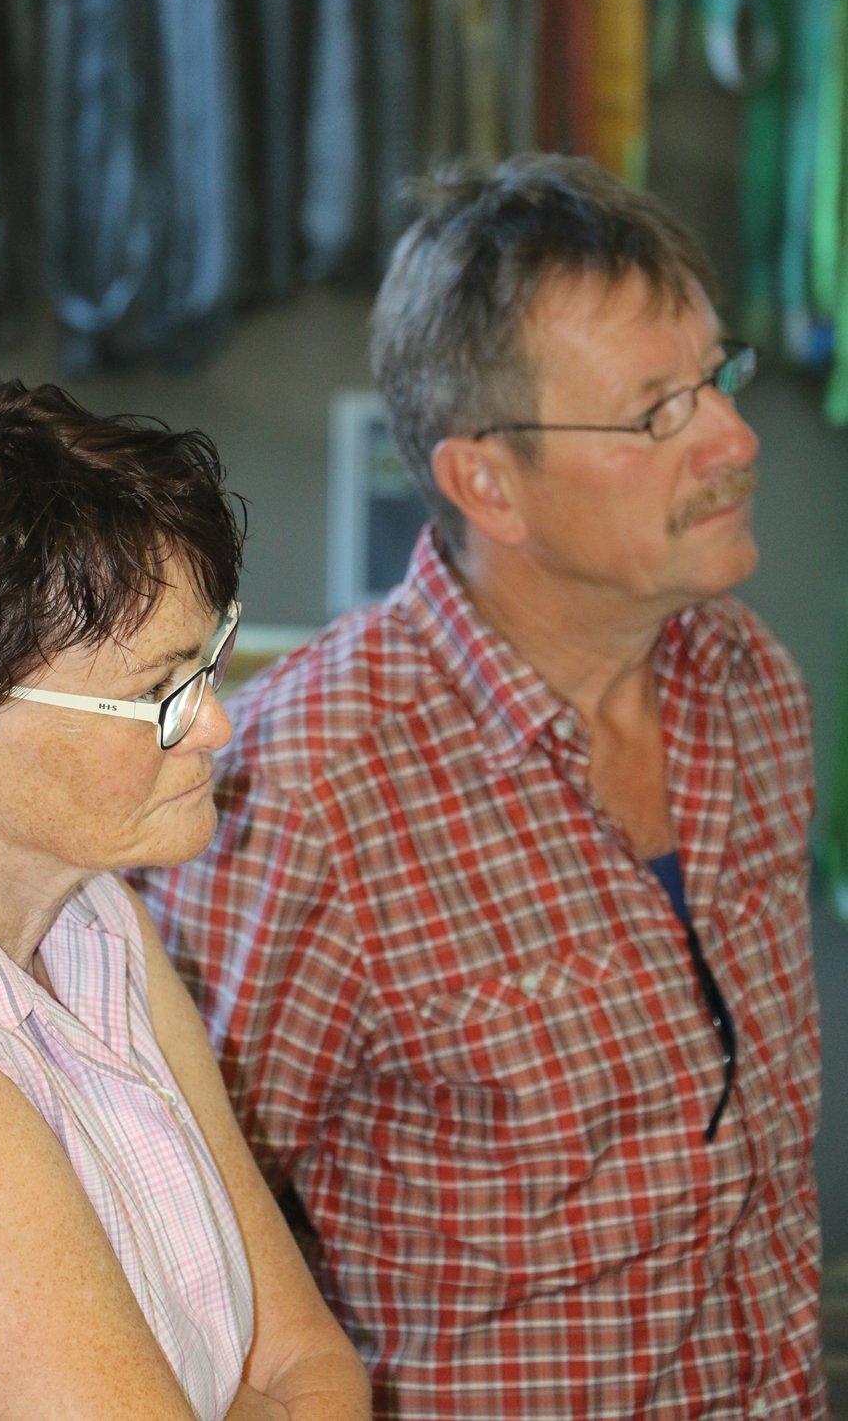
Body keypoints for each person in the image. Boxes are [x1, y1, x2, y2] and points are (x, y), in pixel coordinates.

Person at [130, 154, 829, 1419]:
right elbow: (163, 1256)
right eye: (656, 413)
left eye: (718, 377)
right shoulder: (306, 792)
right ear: (485, 483)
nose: (733, 440)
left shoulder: (747, 685)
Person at [0, 379, 371, 1421]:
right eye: (155, 694)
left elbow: (307, 1363)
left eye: (207, 661)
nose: (216, 727)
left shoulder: (92, 908)